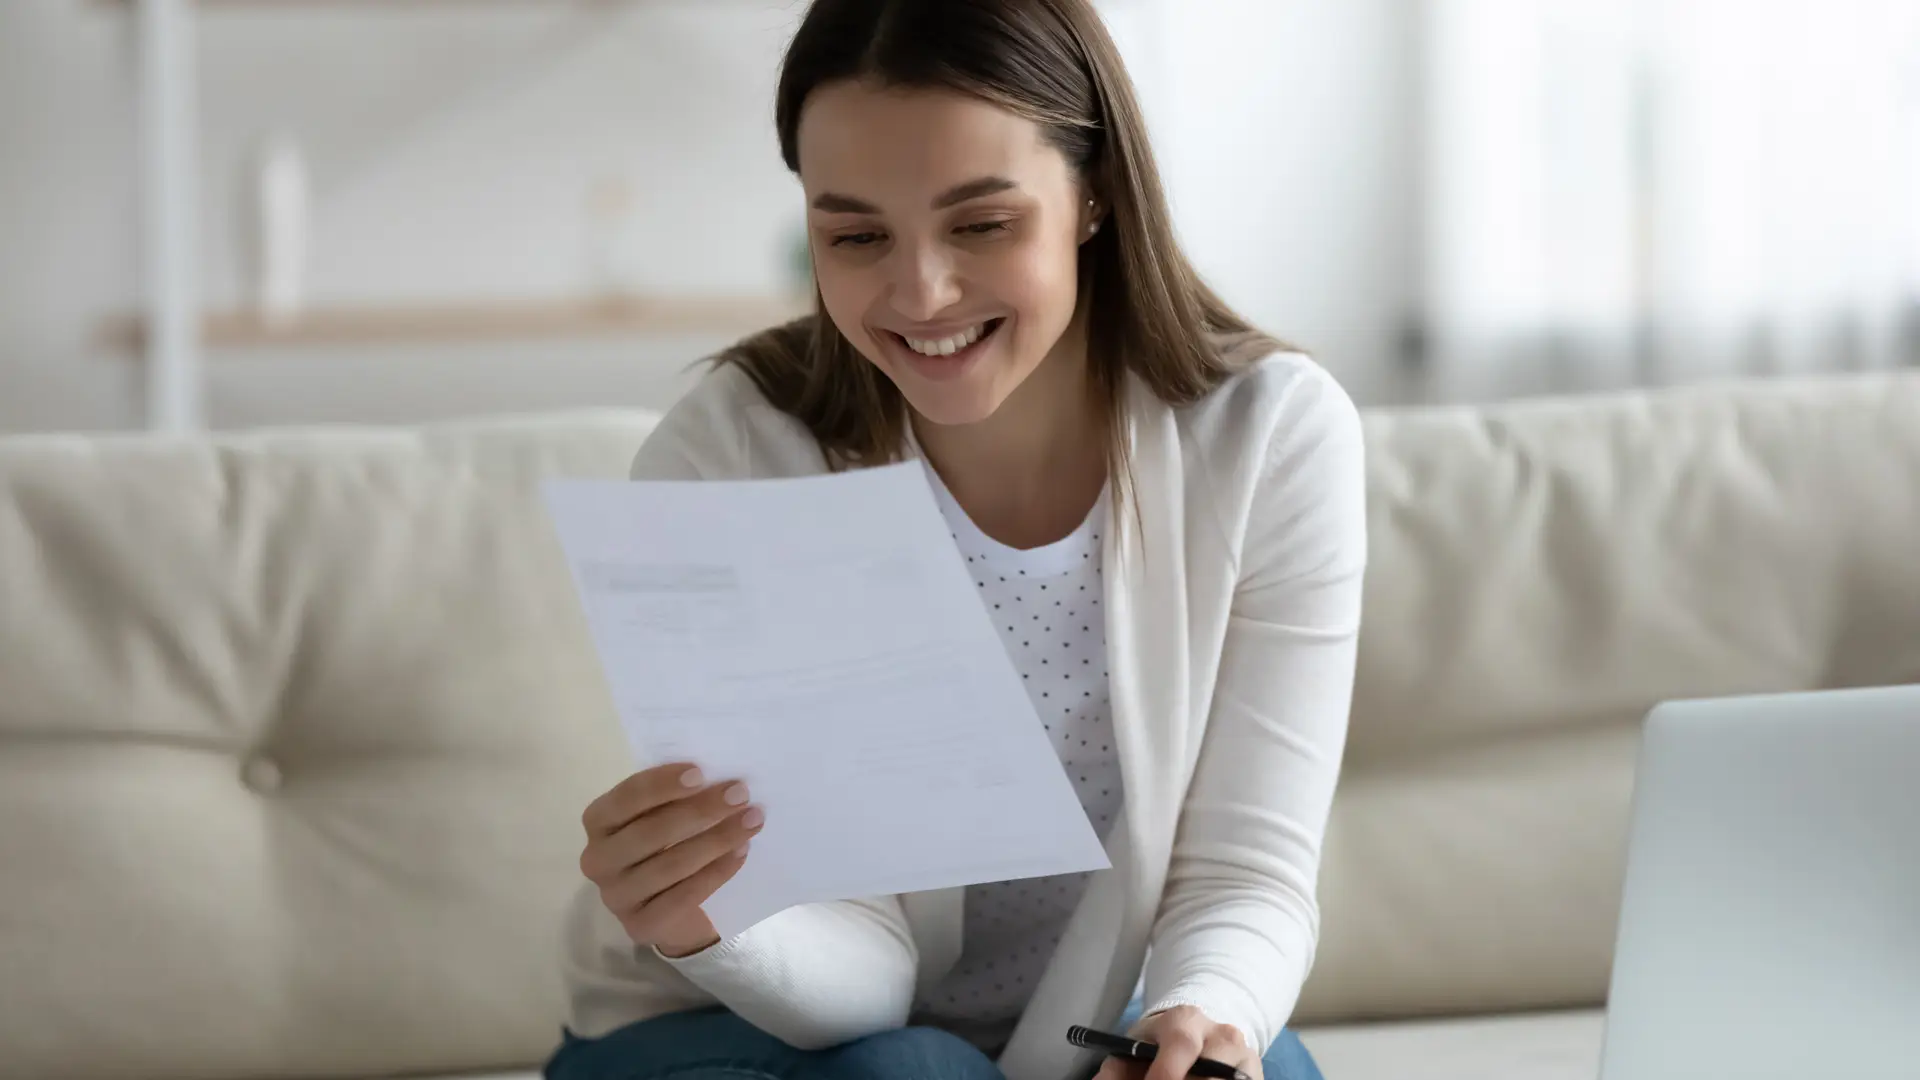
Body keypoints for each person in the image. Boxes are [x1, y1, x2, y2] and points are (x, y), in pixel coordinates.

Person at [544, 1, 1366, 1079]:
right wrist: (710, 916)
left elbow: (1244, 875)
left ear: (1093, 195)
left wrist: (1204, 1020)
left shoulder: (1270, 438)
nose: (920, 292)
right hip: (735, 1019)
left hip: (1070, 1026)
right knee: (911, 1071)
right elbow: (864, 977)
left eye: (981, 224)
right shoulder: (735, 450)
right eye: (856, 236)